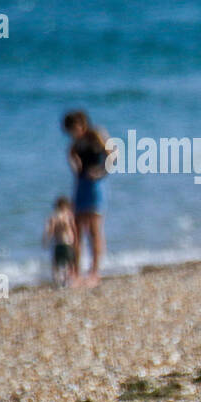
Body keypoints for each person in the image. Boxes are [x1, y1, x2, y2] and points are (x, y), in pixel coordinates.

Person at [62, 110, 112, 287]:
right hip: (80, 185)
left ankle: (94, 272)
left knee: (94, 230)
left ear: (82, 123)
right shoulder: (75, 143)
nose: (72, 133)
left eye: (73, 128)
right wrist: (74, 164)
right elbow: (71, 156)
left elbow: (113, 155)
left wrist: (100, 172)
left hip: (95, 187)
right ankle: (75, 272)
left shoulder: (96, 135)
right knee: (76, 231)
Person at [42, 197, 77, 287]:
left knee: (57, 264)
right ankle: (66, 281)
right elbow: (74, 229)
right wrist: (76, 241)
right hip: (67, 243)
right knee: (69, 264)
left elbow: (50, 230)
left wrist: (46, 240)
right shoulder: (68, 216)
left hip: (58, 244)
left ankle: (58, 281)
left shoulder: (54, 217)